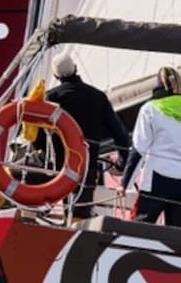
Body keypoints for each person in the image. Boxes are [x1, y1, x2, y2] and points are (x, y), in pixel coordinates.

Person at [43, 52, 130, 219]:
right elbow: (120, 134)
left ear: (55, 75)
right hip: (86, 167)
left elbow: (39, 137)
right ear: (75, 68)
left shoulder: (51, 98)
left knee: (42, 209)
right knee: (79, 215)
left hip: (57, 168)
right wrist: (123, 161)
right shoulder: (98, 97)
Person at [117, 66, 181, 228]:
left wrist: (125, 184)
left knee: (139, 229)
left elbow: (139, 149)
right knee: (179, 236)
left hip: (157, 181)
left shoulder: (150, 109)